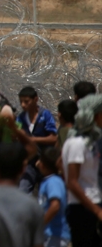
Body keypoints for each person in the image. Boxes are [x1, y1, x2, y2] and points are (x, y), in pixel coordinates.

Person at [62, 94, 102, 247]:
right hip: (83, 208)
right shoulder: (77, 144)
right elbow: (72, 182)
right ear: (96, 116)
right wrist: (96, 211)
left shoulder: (89, 142)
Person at [17, 86, 58, 193]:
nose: (23, 105)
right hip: (29, 162)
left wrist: (33, 140)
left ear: (35, 99)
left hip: (45, 161)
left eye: (26, 101)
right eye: (21, 102)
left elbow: (53, 138)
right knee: (23, 190)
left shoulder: (45, 115)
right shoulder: (21, 118)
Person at [37, 147, 69, 247]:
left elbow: (55, 206)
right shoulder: (48, 181)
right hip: (49, 234)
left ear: (42, 164)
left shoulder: (53, 182)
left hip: (56, 234)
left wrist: (40, 225)